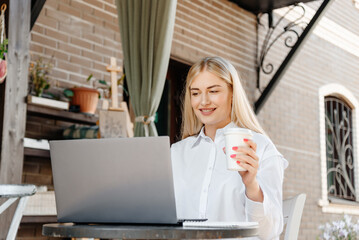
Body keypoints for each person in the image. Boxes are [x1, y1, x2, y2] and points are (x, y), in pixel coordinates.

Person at [171, 56, 288, 240]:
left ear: (232, 93)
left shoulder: (261, 148)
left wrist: (252, 185)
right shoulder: (177, 153)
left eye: (213, 91)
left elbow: (270, 232)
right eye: (195, 93)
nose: (203, 101)